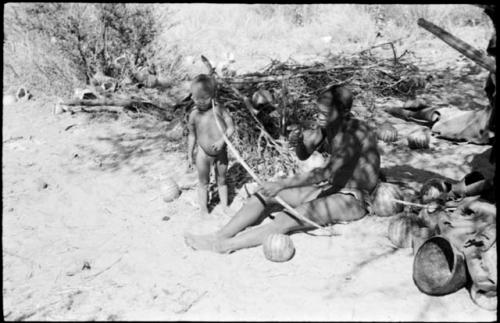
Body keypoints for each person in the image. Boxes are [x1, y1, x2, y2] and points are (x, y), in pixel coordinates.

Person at [184, 85, 381, 253]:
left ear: (344, 112)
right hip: (330, 189)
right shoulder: (328, 126)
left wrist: (281, 184)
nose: (319, 116)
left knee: (287, 218)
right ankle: (220, 235)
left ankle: (226, 246)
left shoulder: (354, 134)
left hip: (352, 198)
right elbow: (303, 154)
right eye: (318, 111)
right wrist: (299, 142)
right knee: (263, 195)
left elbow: (325, 173)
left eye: (325, 113)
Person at [187, 74, 235, 215]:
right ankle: (203, 208)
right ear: (192, 97)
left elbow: (231, 127)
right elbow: (192, 135)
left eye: (205, 98)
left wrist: (222, 141)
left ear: (213, 95)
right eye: (197, 98)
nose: (201, 102)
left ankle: (225, 206)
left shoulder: (219, 109)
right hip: (203, 153)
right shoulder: (194, 114)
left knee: (222, 179)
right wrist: (189, 154)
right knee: (203, 181)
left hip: (221, 152)